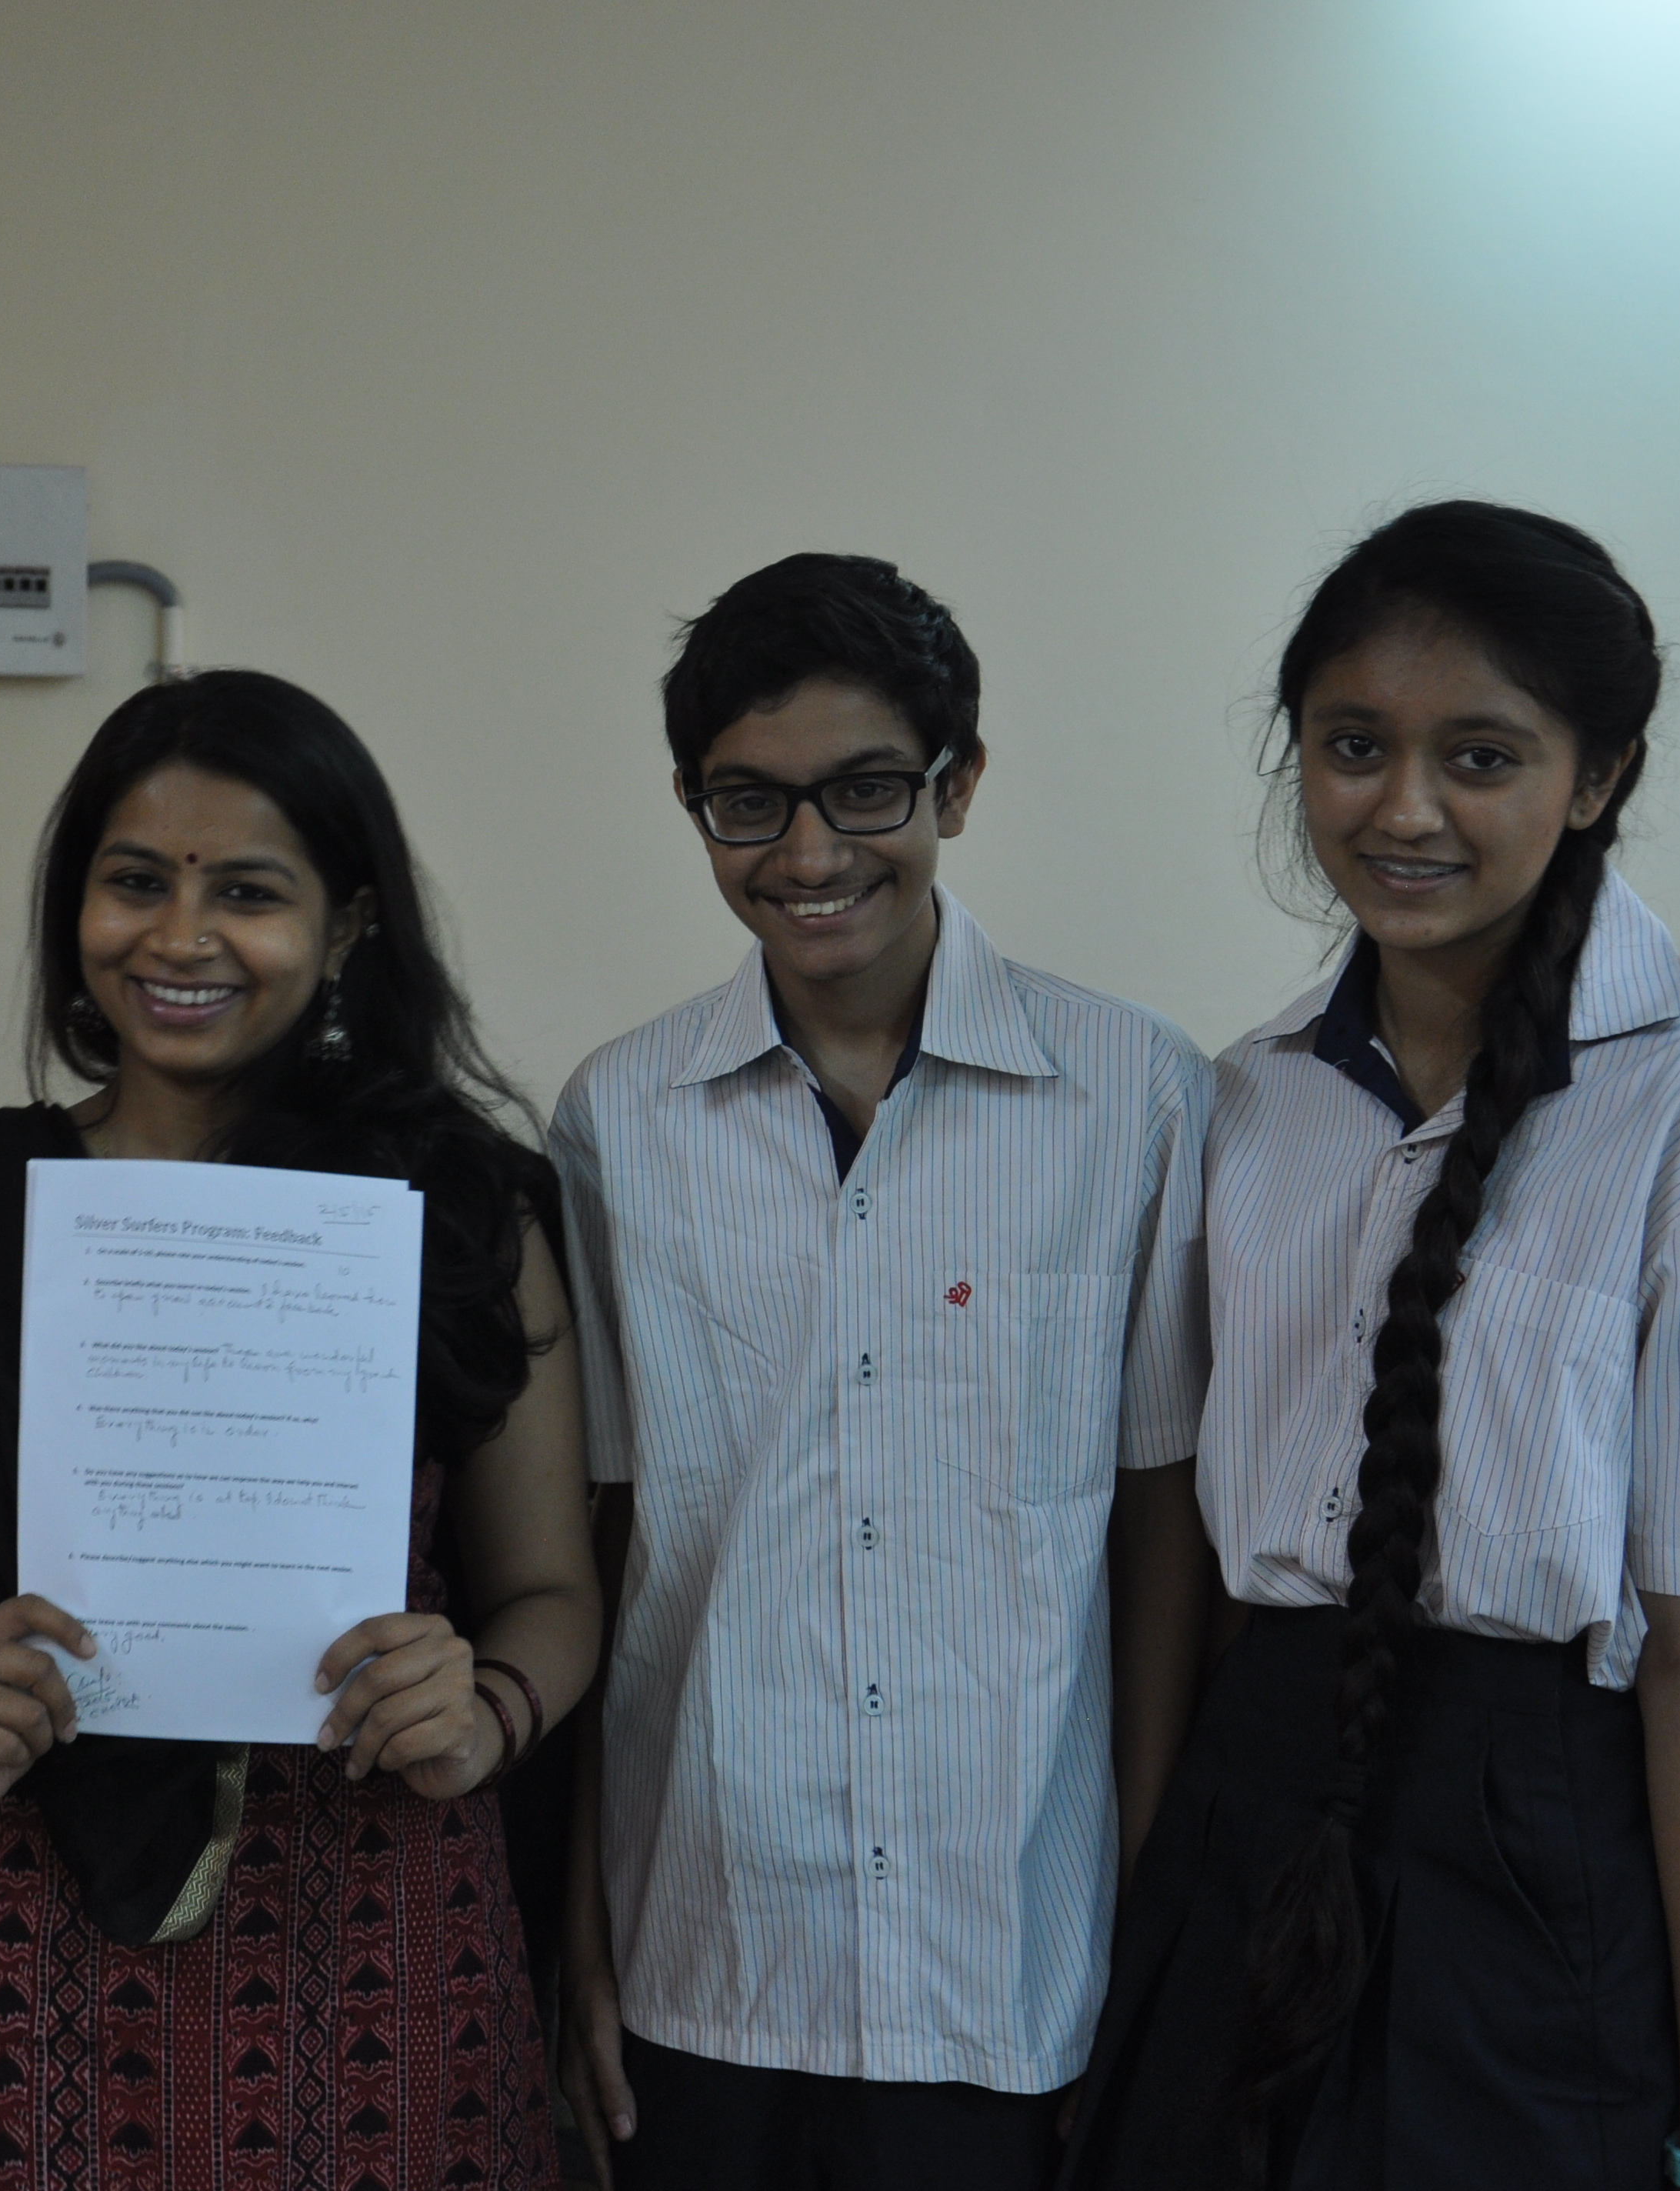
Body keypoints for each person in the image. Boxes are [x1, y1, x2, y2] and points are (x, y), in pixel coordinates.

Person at [1058, 502, 1680, 2191]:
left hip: (1529, 1849)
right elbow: (1183, 1556)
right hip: (1245, 1800)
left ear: (1592, 777)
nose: (1400, 807)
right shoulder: (1242, 1102)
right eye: (1352, 746)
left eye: (1479, 754)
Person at [0, 669, 599, 2190]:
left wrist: (484, 1703)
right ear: (71, 910)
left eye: (248, 891)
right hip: (5, 1919)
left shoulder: (457, 1210)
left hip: (377, 1925)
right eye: (135, 881)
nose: (179, 936)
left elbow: (555, 1591)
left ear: (348, 924)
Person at [549, 553, 1217, 2191]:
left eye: (862, 790)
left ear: (958, 783)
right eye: (745, 804)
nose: (806, 854)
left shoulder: (1129, 1092)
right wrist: (567, 1911)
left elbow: (1153, 1527)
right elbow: (598, 1545)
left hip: (1009, 1952)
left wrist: (1133, 1890)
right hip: (704, 1938)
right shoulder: (614, 1119)